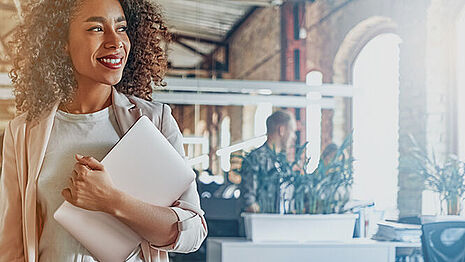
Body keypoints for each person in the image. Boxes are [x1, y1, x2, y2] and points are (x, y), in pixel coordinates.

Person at [0, 0, 207, 261]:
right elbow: (11, 244)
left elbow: (192, 233)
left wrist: (111, 201)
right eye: (96, 29)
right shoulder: (23, 132)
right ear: (61, 41)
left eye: (121, 28)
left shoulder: (155, 120)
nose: (115, 41)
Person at [240, 110, 297, 213]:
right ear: (282, 130)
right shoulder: (256, 158)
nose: (294, 136)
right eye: (292, 131)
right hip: (261, 225)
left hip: (281, 225)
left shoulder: (283, 163)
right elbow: (249, 202)